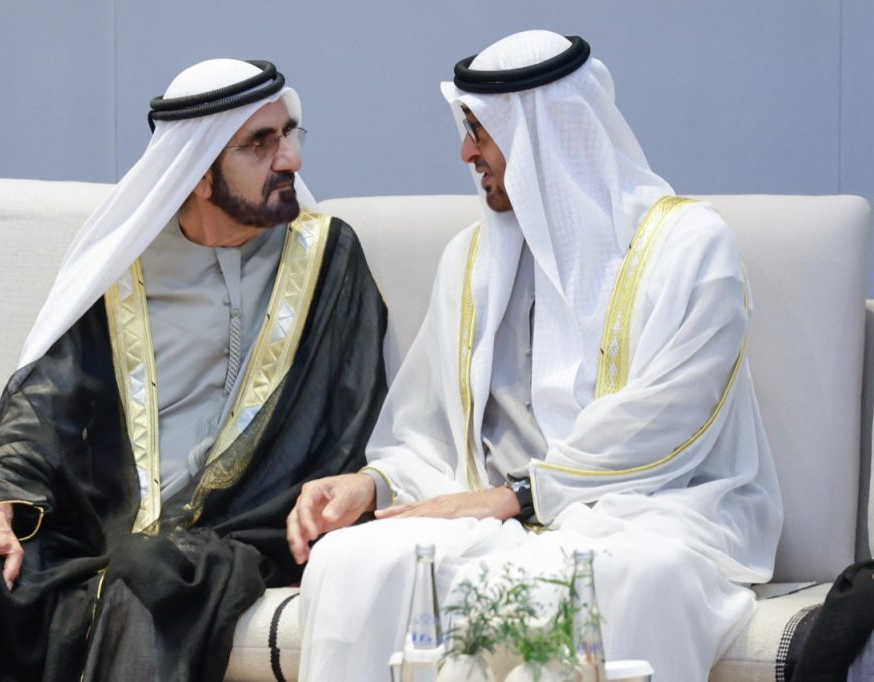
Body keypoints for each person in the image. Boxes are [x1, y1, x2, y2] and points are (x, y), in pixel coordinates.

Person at [0, 59, 387, 682]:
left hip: (245, 532)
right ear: (198, 171)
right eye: (260, 144)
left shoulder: (328, 258)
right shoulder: (123, 272)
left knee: (152, 578)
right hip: (105, 525)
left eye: (289, 134)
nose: (291, 158)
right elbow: (41, 409)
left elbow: (350, 418)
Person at [286, 31, 782, 681]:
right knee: (349, 562)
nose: (466, 152)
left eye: (480, 130)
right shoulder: (469, 260)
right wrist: (372, 484)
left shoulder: (689, 247)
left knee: (619, 577)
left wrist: (519, 496)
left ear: (547, 132)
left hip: (647, 514)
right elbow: (430, 434)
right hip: (493, 519)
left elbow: (670, 424)